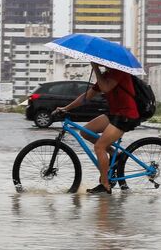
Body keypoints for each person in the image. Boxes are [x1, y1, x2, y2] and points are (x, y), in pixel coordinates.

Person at [53, 62, 141, 194]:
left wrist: (95, 68)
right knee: (85, 132)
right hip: (114, 114)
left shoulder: (119, 72)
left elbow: (106, 88)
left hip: (126, 115)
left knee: (99, 147)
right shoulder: (106, 75)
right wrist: (66, 108)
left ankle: (105, 184)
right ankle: (114, 154)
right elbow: (86, 96)